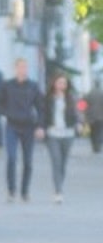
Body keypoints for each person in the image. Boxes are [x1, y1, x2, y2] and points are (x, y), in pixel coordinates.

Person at [1, 58, 44, 201]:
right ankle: (11, 190)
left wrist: (39, 126)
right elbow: (0, 102)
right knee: (11, 158)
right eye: (20, 67)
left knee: (28, 161)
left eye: (25, 67)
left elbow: (40, 107)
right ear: (15, 68)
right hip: (12, 125)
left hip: (28, 126)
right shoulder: (8, 85)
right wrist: (6, 113)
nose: (23, 70)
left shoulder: (33, 86)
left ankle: (25, 191)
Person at [44, 73, 79, 201]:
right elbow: (43, 114)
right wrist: (41, 127)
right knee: (56, 161)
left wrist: (78, 124)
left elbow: (76, 114)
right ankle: (58, 190)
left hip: (68, 134)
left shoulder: (71, 98)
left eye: (64, 83)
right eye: (59, 82)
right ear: (54, 84)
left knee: (63, 163)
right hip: (52, 134)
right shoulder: (48, 99)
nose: (61, 85)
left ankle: (59, 185)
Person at [85, 77, 103, 153]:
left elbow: (83, 104)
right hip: (100, 116)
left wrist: (84, 113)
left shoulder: (90, 93)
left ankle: (94, 146)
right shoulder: (101, 93)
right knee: (99, 131)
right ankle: (98, 146)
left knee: (93, 132)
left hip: (91, 116)